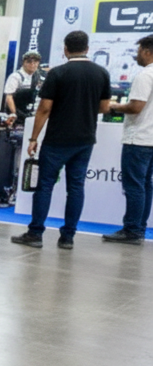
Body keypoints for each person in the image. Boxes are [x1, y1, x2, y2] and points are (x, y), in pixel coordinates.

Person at [11, 30, 112, 249]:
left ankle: (35, 233)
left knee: (45, 185)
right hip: (85, 138)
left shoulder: (57, 73)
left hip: (57, 138)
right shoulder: (101, 73)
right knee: (76, 187)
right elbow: (104, 107)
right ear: (87, 48)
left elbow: (44, 108)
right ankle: (68, 237)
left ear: (65, 49)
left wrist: (33, 138)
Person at [102, 35, 153, 244]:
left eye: (139, 51)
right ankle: (138, 228)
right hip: (150, 138)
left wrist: (113, 106)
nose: (136, 55)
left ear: (147, 52)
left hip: (138, 138)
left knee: (134, 186)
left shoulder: (145, 75)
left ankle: (131, 229)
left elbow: (136, 106)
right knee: (145, 185)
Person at [4, 52, 44, 121]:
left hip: (32, 113)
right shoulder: (15, 76)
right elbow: (9, 97)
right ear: (23, 63)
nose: (32, 65)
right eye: (29, 62)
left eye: (35, 62)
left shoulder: (39, 76)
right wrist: (14, 113)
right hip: (18, 112)